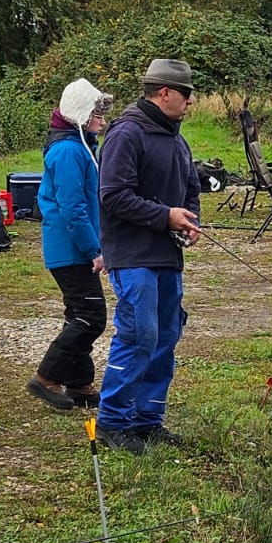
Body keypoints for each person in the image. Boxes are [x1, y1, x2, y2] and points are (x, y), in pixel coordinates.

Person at [96, 57, 201, 453]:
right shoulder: (126, 133)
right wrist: (166, 217)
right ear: (165, 93)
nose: (190, 103)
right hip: (131, 253)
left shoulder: (177, 138)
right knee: (140, 334)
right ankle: (113, 421)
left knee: (166, 334)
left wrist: (190, 221)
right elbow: (114, 195)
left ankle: (147, 419)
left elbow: (190, 188)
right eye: (186, 95)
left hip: (166, 255)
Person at [28, 77, 113, 412]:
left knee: (81, 313)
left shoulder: (79, 147)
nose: (103, 120)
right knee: (91, 316)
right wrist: (94, 250)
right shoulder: (67, 151)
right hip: (71, 250)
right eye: (97, 114)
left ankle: (79, 383)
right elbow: (72, 207)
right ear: (79, 115)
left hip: (75, 247)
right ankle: (46, 377)